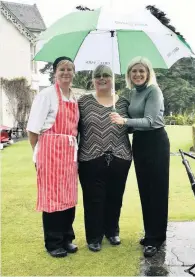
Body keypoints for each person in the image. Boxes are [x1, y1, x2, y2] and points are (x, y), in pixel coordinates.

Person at [110, 56, 170, 258]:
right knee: (145, 190)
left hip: (155, 142)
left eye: (141, 71)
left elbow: (151, 121)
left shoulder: (154, 90)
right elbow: (133, 124)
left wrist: (124, 120)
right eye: (133, 71)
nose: (137, 74)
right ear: (129, 75)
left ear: (148, 73)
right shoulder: (133, 92)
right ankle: (151, 233)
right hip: (141, 143)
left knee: (157, 190)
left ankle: (156, 238)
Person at [27, 56, 79, 258]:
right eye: (62, 69)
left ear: (74, 72)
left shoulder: (73, 97)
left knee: (68, 197)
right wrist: (37, 156)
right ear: (55, 72)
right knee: (52, 199)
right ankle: (53, 242)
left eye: (70, 69)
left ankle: (67, 238)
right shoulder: (47, 95)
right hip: (50, 152)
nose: (66, 72)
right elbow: (33, 130)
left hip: (68, 154)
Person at [78, 65, 132, 252]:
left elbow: (132, 126)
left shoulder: (123, 103)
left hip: (120, 156)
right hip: (90, 157)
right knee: (93, 199)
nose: (102, 79)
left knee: (115, 197)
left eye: (106, 75)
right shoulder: (83, 102)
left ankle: (112, 231)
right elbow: (73, 127)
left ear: (113, 78)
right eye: (98, 76)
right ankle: (94, 236)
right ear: (93, 80)